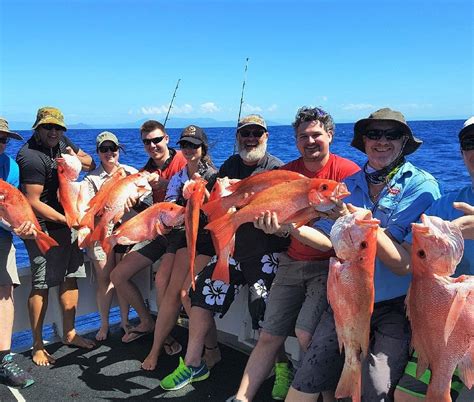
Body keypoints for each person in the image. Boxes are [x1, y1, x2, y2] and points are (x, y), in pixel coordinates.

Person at [283, 108, 441, 402]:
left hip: (395, 308)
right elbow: (329, 241)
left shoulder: (422, 188)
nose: (382, 141)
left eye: (391, 134)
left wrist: (362, 226)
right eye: (374, 134)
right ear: (364, 141)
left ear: (404, 141)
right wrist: (289, 226)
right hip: (345, 300)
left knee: (376, 387)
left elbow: (404, 264)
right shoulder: (350, 185)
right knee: (307, 376)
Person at [159, 114, 293, 394]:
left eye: (257, 133)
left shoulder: (276, 169)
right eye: (245, 133)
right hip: (232, 251)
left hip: (265, 254)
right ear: (238, 137)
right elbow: (215, 204)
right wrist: (194, 192)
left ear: (266, 136)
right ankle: (194, 362)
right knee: (199, 294)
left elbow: (285, 222)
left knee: (266, 312)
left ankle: (283, 367)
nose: (251, 138)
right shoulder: (231, 164)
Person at [234, 107, 360, 401]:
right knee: (269, 334)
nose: (311, 140)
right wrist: (273, 227)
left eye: (317, 134)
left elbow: (344, 236)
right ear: (295, 140)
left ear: (330, 135)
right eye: (303, 136)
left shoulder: (348, 173)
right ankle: (241, 398)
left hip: (330, 267)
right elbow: (279, 226)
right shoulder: (286, 174)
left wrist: (293, 227)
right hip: (291, 262)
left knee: (307, 335)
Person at [392, 116, 474, 401]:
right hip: (449, 325)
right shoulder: (445, 205)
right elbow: (409, 257)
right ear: (462, 153)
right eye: (469, 143)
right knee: (406, 396)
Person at [16, 106, 96, 366]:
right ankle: (37, 344)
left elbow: (91, 162)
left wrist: (75, 158)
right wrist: (67, 220)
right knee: (41, 283)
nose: (53, 132)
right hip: (40, 227)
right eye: (48, 127)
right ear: (37, 128)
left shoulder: (62, 143)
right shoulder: (30, 156)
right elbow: (33, 201)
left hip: (69, 221)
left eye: (58, 128)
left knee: (71, 276)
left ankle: (70, 333)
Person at [141, 125, 217, 370]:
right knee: (167, 283)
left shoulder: (214, 175)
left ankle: (210, 349)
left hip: (206, 240)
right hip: (184, 237)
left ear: (203, 147)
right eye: (184, 145)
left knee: (184, 292)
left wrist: (201, 195)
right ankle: (158, 346)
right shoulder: (179, 177)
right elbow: (170, 209)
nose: (188, 149)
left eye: (194, 145)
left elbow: (218, 210)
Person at [110, 120, 187, 344]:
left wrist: (165, 184)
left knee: (162, 280)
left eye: (156, 140)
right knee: (118, 275)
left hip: (181, 234)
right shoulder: (145, 172)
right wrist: (131, 205)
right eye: (146, 142)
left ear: (167, 139)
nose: (152, 145)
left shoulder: (184, 160)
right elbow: (149, 212)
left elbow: (197, 193)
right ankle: (147, 321)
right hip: (159, 234)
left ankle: (167, 338)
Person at [82, 131, 138, 341]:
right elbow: (87, 209)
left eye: (112, 148)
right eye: (103, 149)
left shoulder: (131, 173)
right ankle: (104, 324)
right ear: (97, 152)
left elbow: (145, 195)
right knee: (105, 278)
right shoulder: (91, 179)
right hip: (101, 234)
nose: (109, 153)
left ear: (119, 149)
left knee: (122, 277)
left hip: (124, 233)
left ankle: (125, 321)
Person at [0, 117, 35, 388]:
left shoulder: (10, 166)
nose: (0, 144)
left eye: (3, 139)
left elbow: (10, 208)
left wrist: (21, 227)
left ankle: (3, 358)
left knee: (5, 291)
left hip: (1, 237)